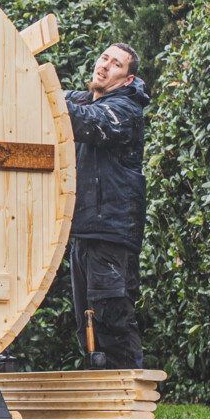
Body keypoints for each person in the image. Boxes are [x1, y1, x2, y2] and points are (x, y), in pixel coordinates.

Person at [64, 42, 149, 369]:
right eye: (104, 58)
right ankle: (100, 393)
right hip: (85, 233)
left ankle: (129, 393)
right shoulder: (86, 99)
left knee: (112, 320)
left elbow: (86, 122)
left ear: (127, 79)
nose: (104, 65)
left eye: (115, 64)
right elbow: (55, 99)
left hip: (111, 235)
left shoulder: (125, 110)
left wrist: (48, 99)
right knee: (86, 327)